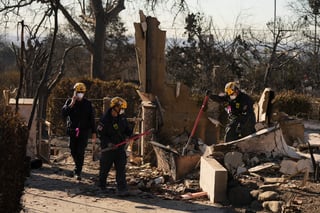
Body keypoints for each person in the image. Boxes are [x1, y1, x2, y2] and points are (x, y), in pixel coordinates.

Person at [97, 97, 133, 196]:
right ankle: (101, 186)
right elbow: (101, 135)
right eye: (121, 108)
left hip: (120, 148)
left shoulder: (122, 117)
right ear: (114, 107)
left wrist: (130, 135)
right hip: (108, 149)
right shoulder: (105, 119)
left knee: (121, 168)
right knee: (105, 168)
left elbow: (126, 129)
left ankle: (122, 188)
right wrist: (109, 143)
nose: (122, 110)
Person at [62, 82, 97, 180]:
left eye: (82, 92)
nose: (80, 94)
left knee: (80, 151)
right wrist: (72, 104)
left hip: (83, 131)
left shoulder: (88, 104)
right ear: (74, 92)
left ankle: (78, 171)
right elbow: (64, 113)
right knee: (73, 150)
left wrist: (94, 132)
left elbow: (91, 118)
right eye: (78, 92)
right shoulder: (69, 101)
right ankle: (77, 166)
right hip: (72, 130)